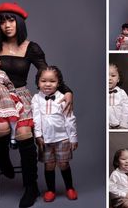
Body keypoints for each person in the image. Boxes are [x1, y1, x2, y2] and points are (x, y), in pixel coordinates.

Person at [0, 2, 73, 208]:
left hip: (21, 95)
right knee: (0, 128)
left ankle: (31, 187)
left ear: (19, 22)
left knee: (24, 133)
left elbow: (48, 74)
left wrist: (68, 91)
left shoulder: (31, 47)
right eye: (2, 22)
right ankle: (4, 160)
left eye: (11, 20)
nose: (7, 25)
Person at [31, 66, 78, 202]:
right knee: (49, 165)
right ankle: (51, 190)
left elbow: (70, 119)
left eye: (52, 81)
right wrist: (38, 135)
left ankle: (70, 188)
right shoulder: (36, 98)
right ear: (38, 82)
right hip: (45, 139)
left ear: (58, 83)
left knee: (63, 164)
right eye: (43, 81)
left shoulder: (63, 97)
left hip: (62, 138)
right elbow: (36, 118)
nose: (47, 84)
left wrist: (73, 138)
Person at [109, 63, 128, 129]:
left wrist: (124, 124)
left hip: (119, 125)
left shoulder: (121, 93)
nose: (109, 78)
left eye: (113, 75)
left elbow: (127, 109)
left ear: (118, 79)